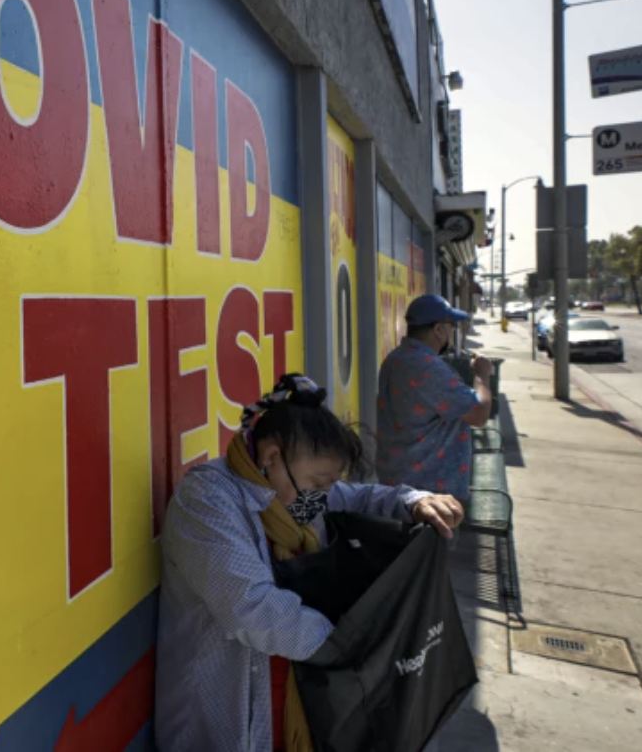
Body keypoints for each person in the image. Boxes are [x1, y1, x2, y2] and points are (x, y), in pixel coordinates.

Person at [154, 375, 464, 752]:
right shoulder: (207, 500)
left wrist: (412, 501)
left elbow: (359, 497)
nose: (323, 497)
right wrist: (353, 649)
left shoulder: (292, 496)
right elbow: (252, 609)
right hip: (229, 726)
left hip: (293, 712)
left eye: (330, 485)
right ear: (272, 458)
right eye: (318, 483)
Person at [376, 294, 494, 502]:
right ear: (438, 329)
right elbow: (479, 414)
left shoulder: (396, 358)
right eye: (451, 326)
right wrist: (481, 374)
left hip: (400, 482)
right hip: (429, 494)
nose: (453, 331)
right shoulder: (428, 367)